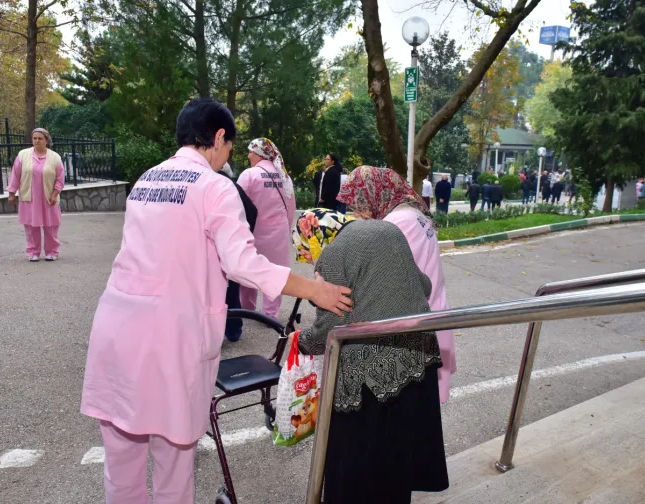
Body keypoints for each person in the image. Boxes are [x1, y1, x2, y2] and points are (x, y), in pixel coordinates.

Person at [80, 98, 352, 504]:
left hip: (116, 333)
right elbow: (243, 263)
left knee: (121, 467)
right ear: (218, 136)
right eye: (228, 148)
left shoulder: (146, 180)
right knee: (173, 463)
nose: (227, 157)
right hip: (169, 339)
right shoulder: (213, 187)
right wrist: (315, 289)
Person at [294, 216, 448, 504]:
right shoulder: (389, 230)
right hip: (415, 358)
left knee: (356, 472)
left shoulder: (332, 255)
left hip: (369, 379)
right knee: (395, 466)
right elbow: (423, 286)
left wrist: (300, 341)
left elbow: (328, 330)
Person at [337, 166, 456, 405]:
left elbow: (377, 278)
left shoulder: (396, 223)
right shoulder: (413, 214)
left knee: (404, 417)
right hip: (430, 320)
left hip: (411, 334)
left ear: (375, 194)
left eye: (359, 204)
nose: (357, 214)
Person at [235, 138, 297, 319]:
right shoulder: (284, 176)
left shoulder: (249, 175)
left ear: (258, 153)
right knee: (275, 272)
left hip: (253, 232)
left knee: (248, 270)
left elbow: (237, 204)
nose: (248, 155)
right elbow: (291, 206)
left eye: (250, 151)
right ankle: (271, 313)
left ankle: (248, 309)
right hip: (278, 232)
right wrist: (286, 227)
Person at [7, 128, 65, 262]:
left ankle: (52, 252)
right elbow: (15, 175)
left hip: (48, 197)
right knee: (31, 226)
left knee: (51, 226)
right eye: (34, 138)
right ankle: (33, 252)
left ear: (46, 140)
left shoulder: (55, 157)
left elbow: (60, 178)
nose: (37, 141)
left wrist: (55, 193)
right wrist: (12, 193)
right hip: (29, 196)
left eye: (40, 138)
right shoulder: (23, 155)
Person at [218, 163, 258, 343]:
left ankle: (218, 333)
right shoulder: (232, 185)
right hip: (230, 247)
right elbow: (252, 210)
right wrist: (245, 234)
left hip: (215, 248)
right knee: (231, 288)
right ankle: (233, 330)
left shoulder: (215, 184)